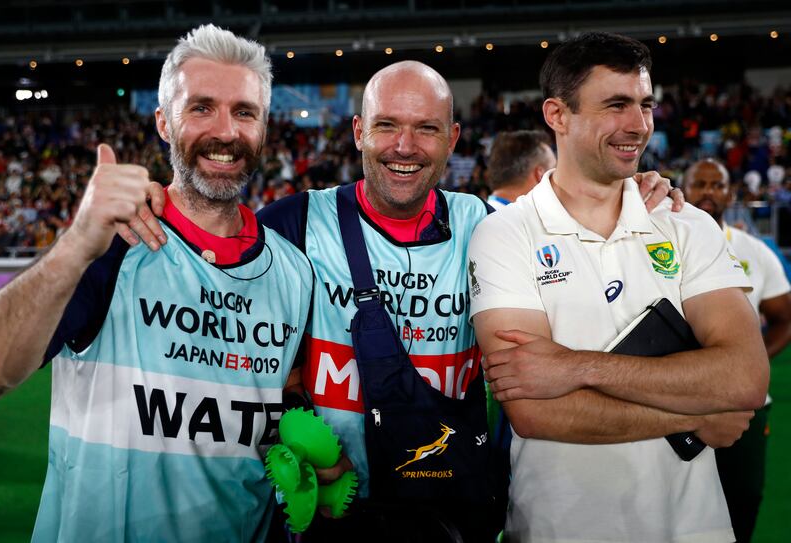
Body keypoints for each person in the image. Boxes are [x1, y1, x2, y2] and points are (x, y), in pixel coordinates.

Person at [131, 60, 680, 542]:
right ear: (358, 131)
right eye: (387, 125)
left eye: (426, 129)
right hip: (334, 508)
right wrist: (151, 201)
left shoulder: (488, 228)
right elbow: (231, 339)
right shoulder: (294, 223)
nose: (404, 146)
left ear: (453, 138)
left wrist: (634, 192)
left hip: (452, 508)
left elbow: (587, 248)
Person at [0, 24, 312, 542]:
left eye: (244, 112)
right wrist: (75, 245)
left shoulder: (295, 273)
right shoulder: (113, 247)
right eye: (201, 107)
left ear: (264, 128)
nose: (226, 131)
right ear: (164, 122)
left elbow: (284, 413)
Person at [468, 32, 769, 543]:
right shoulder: (505, 233)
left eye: (646, 104)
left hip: (695, 528)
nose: (640, 125)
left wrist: (577, 367)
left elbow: (745, 378)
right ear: (557, 115)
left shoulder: (686, 223)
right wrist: (694, 418)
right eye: (616, 105)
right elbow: (535, 410)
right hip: (559, 528)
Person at [684, 157, 791, 542]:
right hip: (675, 405)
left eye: (717, 185)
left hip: (742, 406)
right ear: (685, 187)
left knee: (741, 502)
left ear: (730, 192)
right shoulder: (657, 243)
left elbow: (784, 317)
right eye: (700, 184)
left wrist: (751, 362)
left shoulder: (755, 251)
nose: (709, 193)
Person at [486, 129, 557, 210]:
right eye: (553, 170)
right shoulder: (512, 220)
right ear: (541, 175)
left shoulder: (481, 216)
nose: (556, 178)